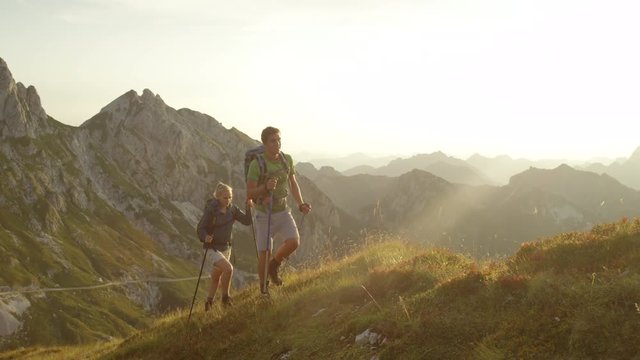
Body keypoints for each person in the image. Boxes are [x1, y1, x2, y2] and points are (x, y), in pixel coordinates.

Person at [246, 126, 312, 294]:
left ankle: (274, 265)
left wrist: (301, 203)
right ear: (265, 143)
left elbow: (293, 183)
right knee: (264, 252)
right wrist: (265, 188)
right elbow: (250, 192)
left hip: (283, 210)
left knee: (294, 242)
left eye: (279, 139)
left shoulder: (286, 159)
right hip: (264, 213)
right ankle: (263, 289)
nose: (277, 143)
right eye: (273, 141)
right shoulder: (257, 164)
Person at [197, 182, 252, 310]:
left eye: (229, 197)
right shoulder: (211, 211)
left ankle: (208, 303)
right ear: (218, 197)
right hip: (212, 248)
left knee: (216, 278)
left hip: (226, 248)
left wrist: (248, 208)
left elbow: (247, 221)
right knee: (229, 269)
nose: (228, 200)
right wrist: (205, 237)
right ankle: (225, 299)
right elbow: (200, 229)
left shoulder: (232, 209)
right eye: (225, 197)